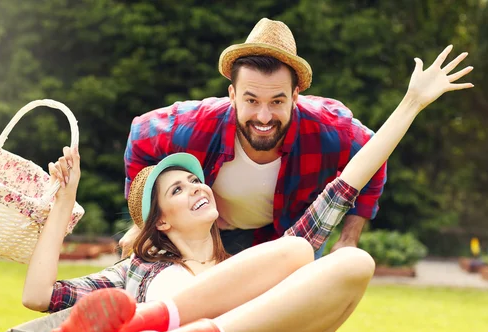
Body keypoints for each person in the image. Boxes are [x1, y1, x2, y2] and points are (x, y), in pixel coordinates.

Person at [22, 45, 473, 332]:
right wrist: (64, 202)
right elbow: (40, 296)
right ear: (160, 221)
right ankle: (158, 327)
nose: (198, 186)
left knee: (350, 261)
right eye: (177, 189)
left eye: (198, 180)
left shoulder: (250, 271)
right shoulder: (136, 269)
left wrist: (412, 103)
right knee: (297, 250)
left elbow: (350, 180)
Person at [119, 18, 389, 258]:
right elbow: (139, 137)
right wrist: (143, 224)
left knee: (297, 310)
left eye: (276, 101)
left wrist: (349, 238)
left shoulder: (330, 129)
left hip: (293, 235)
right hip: (211, 231)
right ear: (232, 95)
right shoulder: (193, 125)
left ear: (295, 97)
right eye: (251, 100)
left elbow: (375, 155)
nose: (263, 116)